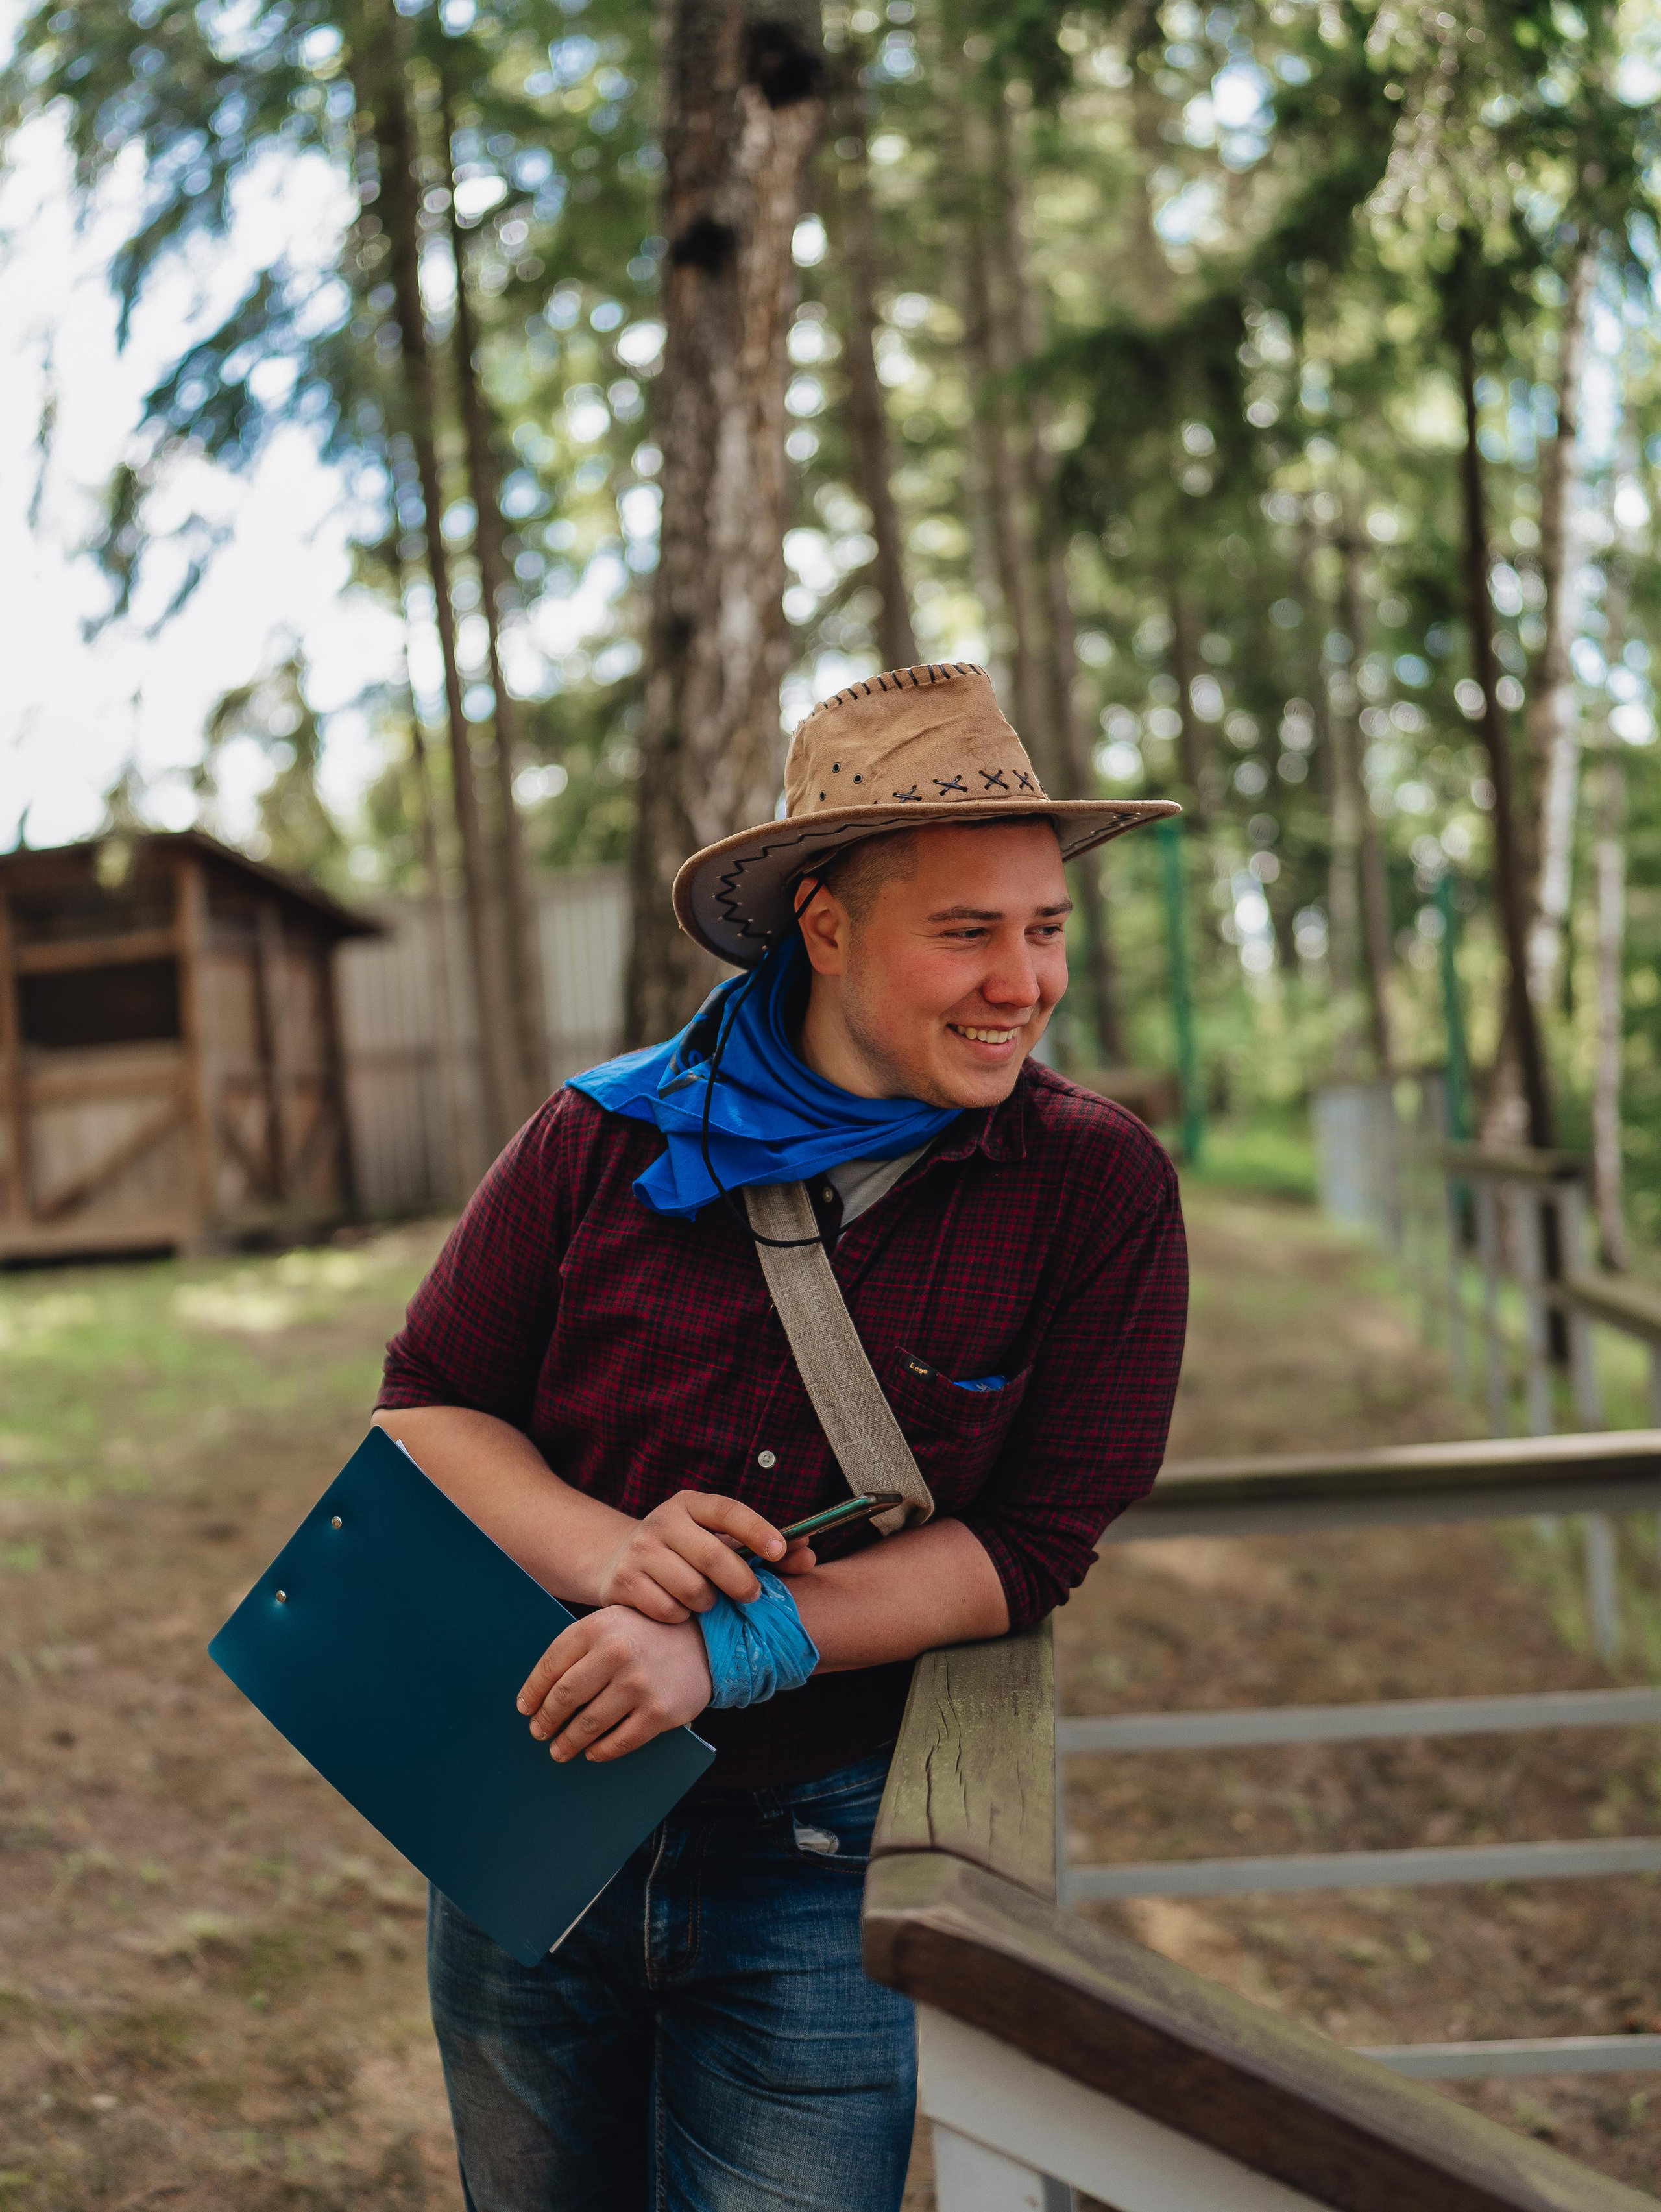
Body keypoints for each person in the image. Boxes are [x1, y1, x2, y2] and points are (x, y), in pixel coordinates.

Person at [372, 661, 1189, 2212]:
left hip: (819, 1855)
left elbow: (1031, 1543)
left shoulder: (1094, 1188)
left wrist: (725, 1648)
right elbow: (425, 1411)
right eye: (967, 931)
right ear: (825, 924)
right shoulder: (596, 1137)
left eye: (1045, 928)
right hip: (529, 1802)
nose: (1020, 980)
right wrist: (612, 1555)